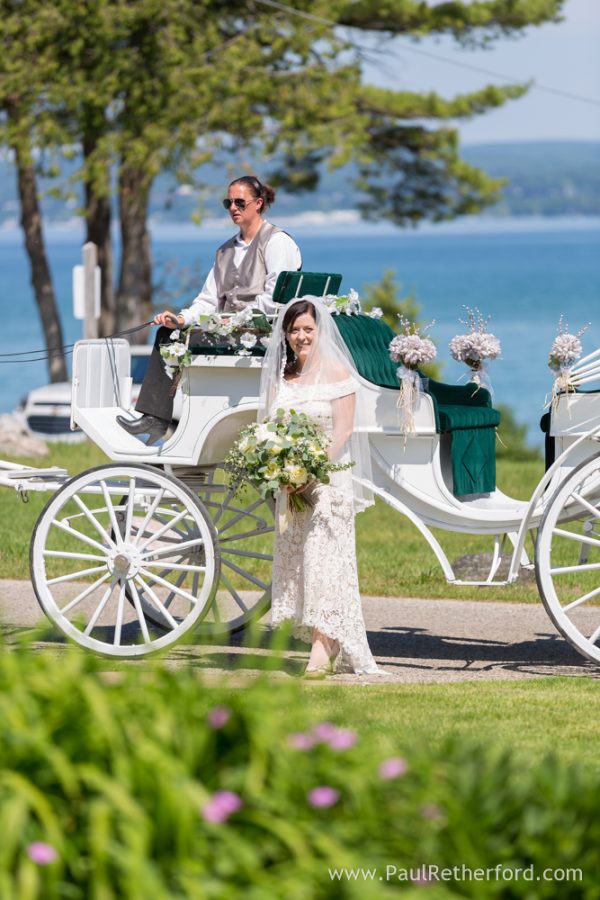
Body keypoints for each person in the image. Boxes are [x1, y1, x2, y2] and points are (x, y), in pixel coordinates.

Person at [117, 175, 302, 444]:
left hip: (262, 333)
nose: (233, 208)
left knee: (175, 339)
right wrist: (181, 319)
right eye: (229, 203)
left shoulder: (276, 242)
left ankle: (159, 419)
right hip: (230, 329)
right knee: (167, 334)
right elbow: (207, 300)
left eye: (240, 202)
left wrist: (235, 320)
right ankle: (155, 417)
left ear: (258, 203)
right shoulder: (225, 251)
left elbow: (276, 298)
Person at [258, 297, 381, 677]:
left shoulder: (337, 372)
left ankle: (322, 645)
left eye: (307, 329)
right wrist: (281, 469)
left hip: (328, 481)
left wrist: (310, 471)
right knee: (300, 563)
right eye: (294, 330)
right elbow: (268, 428)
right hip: (291, 488)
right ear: (285, 335)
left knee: (323, 561)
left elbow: (343, 431)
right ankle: (323, 640)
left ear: (319, 331)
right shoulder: (281, 378)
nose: (301, 337)